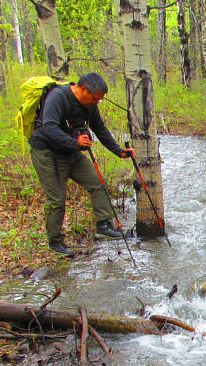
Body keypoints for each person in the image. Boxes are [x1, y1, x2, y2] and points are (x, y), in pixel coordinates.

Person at [29, 72, 135, 257]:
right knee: (56, 200)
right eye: (95, 98)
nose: (97, 103)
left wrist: (119, 151)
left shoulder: (90, 105)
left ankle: (103, 225)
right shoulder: (58, 97)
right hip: (47, 153)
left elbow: (100, 129)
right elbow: (48, 128)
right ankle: (55, 242)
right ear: (83, 89)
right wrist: (75, 142)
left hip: (71, 153)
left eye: (100, 100)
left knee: (97, 183)